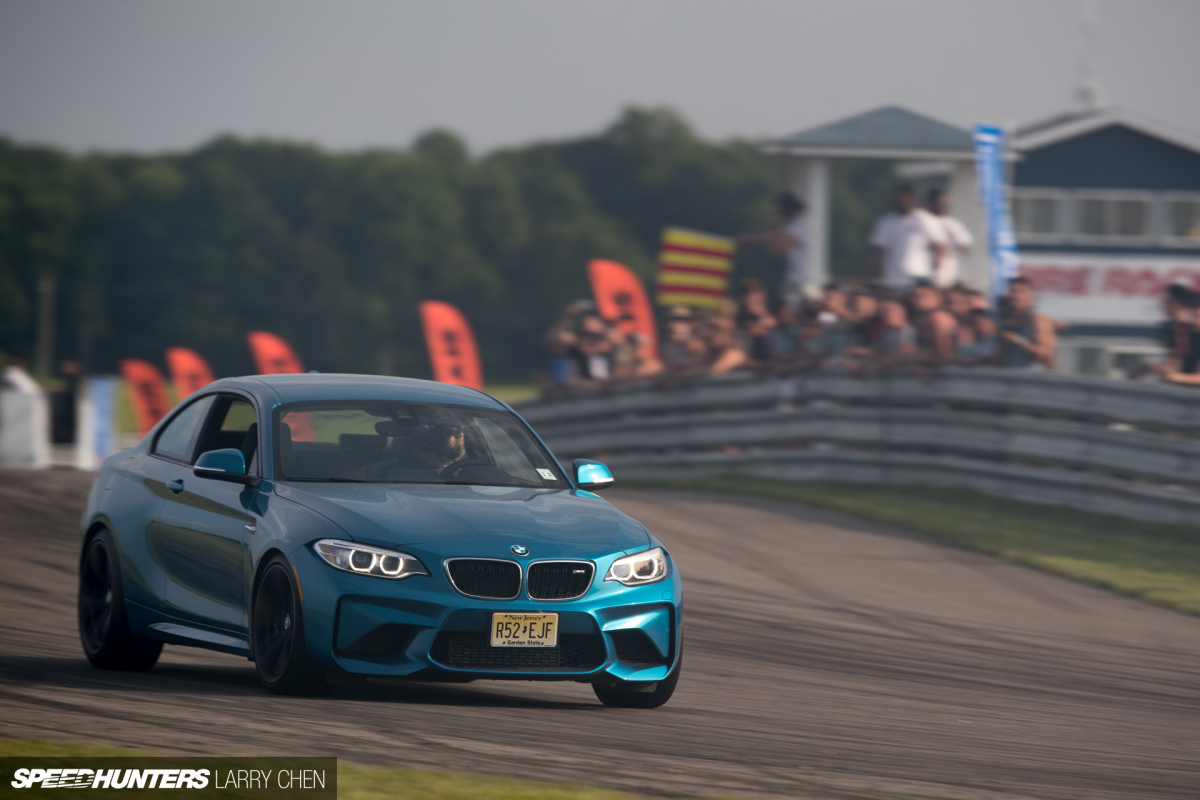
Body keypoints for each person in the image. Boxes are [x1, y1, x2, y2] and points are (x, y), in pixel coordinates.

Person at [737, 192, 808, 308]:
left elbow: (775, 250)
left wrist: (771, 222)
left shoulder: (798, 228)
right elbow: (774, 236)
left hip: (800, 281)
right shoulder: (796, 226)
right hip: (797, 281)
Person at [868, 186, 947, 289]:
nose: (903, 202)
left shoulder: (925, 219)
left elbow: (939, 248)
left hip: (921, 277)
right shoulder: (885, 222)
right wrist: (869, 275)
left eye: (906, 199)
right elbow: (877, 251)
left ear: (913, 199)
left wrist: (937, 273)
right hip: (893, 279)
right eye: (900, 199)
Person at [999, 277, 1058, 369]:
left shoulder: (1039, 322)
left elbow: (1046, 355)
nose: (1015, 296)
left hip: (1030, 379)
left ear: (1030, 296)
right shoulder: (1006, 323)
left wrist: (1017, 340)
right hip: (1008, 378)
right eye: (1012, 291)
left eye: (1020, 292)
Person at [924, 190, 973, 288]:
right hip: (925, 275)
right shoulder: (922, 220)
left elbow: (965, 245)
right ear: (931, 203)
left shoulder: (953, 223)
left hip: (948, 275)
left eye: (944, 203)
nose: (942, 205)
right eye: (939, 202)